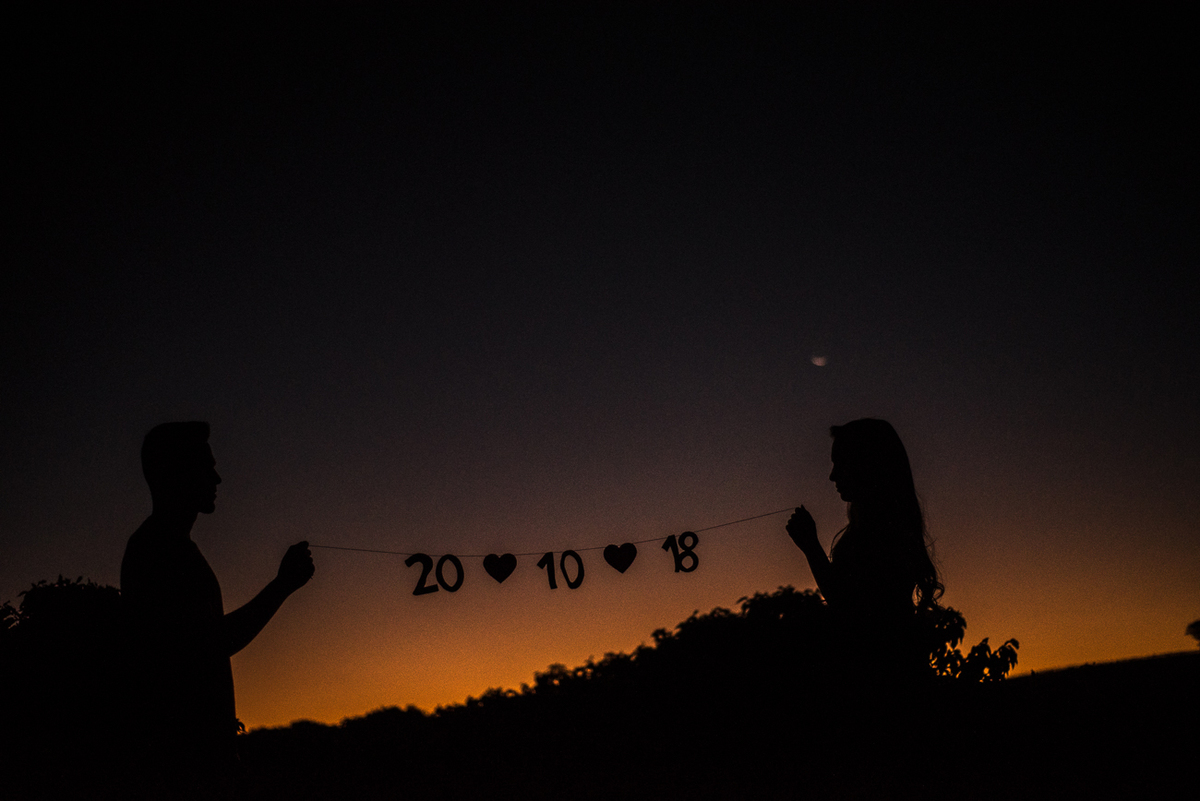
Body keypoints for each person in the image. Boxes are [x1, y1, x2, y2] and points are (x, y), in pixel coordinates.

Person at [120, 421, 314, 797]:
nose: (218, 478)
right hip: (183, 770)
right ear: (176, 473)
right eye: (206, 466)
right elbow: (208, 644)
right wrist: (283, 585)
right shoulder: (158, 550)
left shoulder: (174, 548)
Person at [785, 418, 942, 683]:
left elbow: (850, 604)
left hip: (877, 679)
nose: (833, 475)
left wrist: (811, 546)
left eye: (840, 463)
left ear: (867, 465)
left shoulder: (881, 532)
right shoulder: (891, 524)